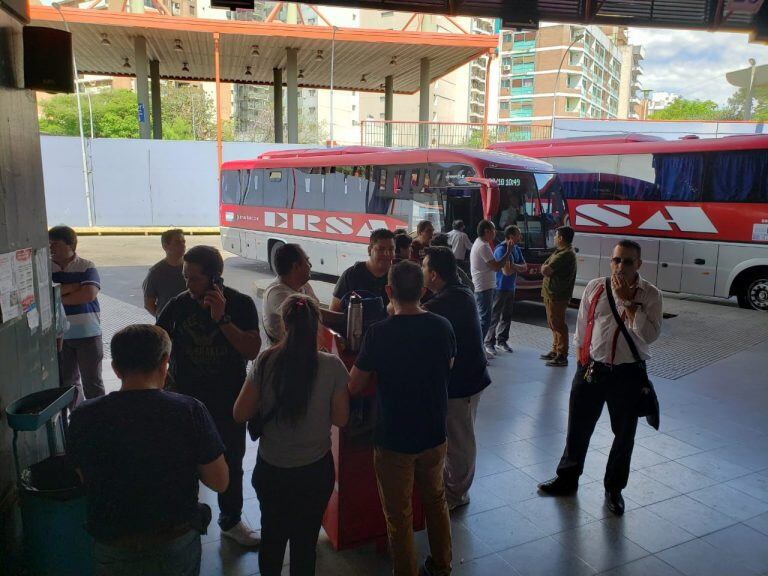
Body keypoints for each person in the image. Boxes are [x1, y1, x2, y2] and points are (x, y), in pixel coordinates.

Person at [68, 324, 229, 576]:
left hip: (113, 543)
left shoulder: (83, 416)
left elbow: (82, 477)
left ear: (116, 368)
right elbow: (220, 481)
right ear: (165, 362)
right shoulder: (189, 411)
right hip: (174, 541)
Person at [538, 240, 662, 516]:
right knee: (578, 427)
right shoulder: (595, 287)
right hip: (591, 369)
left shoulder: (650, 295)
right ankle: (567, 478)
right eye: (617, 260)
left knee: (624, 434)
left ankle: (614, 489)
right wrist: (581, 362)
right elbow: (582, 326)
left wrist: (629, 303)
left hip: (627, 374)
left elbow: (650, 336)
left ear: (638, 264)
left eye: (628, 261)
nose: (620, 266)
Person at [349, 261, 455, 576]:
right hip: (434, 432)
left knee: (399, 515)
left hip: (393, 437)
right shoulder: (442, 326)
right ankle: (441, 565)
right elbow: (448, 365)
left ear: (389, 291)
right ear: (423, 291)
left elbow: (354, 384)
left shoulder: (379, 333)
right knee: (436, 501)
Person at [233, 295, 350, 576]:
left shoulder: (265, 361)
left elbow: (239, 413)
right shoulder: (332, 366)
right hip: (314, 472)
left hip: (273, 471)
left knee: (272, 539)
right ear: (316, 326)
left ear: (284, 325)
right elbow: (341, 418)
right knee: (304, 543)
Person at [157, 245, 262, 547]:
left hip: (229, 400)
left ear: (215, 278)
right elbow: (157, 342)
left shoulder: (240, 305)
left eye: (194, 279)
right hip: (186, 402)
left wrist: (222, 319)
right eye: (185, 277)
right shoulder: (178, 305)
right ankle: (186, 517)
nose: (188, 285)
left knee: (232, 461)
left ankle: (230, 519)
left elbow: (252, 350)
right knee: (184, 460)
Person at [422, 247, 490, 511]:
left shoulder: (446, 301)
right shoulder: (458, 289)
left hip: (464, 384)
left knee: (460, 441)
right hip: (466, 379)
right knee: (456, 436)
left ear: (435, 275)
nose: (422, 272)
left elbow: (407, 312)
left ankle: (457, 495)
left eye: (424, 268)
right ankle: (451, 487)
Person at [49, 225, 104, 401]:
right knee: (68, 384)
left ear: (70, 245)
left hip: (88, 333)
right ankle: (76, 419)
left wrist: (56, 298)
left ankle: (99, 420)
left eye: (55, 244)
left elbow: (88, 294)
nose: (50, 248)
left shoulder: (86, 266)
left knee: (93, 382)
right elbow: (42, 297)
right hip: (61, 336)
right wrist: (72, 287)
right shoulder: (45, 268)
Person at [469, 220, 512, 359]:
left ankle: (479, 348)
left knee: (485, 318)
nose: (495, 233)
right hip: (483, 287)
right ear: (487, 231)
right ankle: (477, 351)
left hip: (486, 286)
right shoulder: (483, 246)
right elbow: (496, 266)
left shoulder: (483, 244)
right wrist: (508, 252)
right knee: (484, 320)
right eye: (493, 230)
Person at [262, 244, 319, 345]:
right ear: (295, 267)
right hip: (284, 356)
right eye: (307, 261)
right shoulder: (277, 294)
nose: (310, 265)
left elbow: (318, 313)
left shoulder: (304, 285)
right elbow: (307, 320)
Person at [330, 228, 395, 313]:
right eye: (381, 249)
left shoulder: (397, 276)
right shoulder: (352, 275)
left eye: (391, 249)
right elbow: (334, 310)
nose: (387, 254)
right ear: (369, 251)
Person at [485, 225, 527, 354]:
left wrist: (513, 265)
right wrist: (516, 267)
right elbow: (506, 271)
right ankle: (488, 342)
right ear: (511, 236)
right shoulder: (501, 249)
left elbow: (525, 267)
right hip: (500, 287)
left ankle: (501, 341)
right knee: (495, 315)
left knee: (507, 316)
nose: (520, 236)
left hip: (511, 287)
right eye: (518, 234)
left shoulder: (516, 249)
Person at [540, 226, 578, 367]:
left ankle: (562, 355)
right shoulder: (559, 251)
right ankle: (555, 350)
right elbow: (545, 265)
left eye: (556, 235)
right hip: (551, 294)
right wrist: (544, 267)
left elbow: (546, 269)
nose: (554, 238)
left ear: (561, 238)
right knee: (552, 323)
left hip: (558, 295)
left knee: (558, 324)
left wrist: (545, 267)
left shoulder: (566, 254)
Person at [143, 228, 187, 318]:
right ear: (165, 246)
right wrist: (163, 318)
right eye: (178, 242)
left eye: (183, 242)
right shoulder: (155, 273)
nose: (183, 245)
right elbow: (148, 304)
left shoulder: (191, 268)